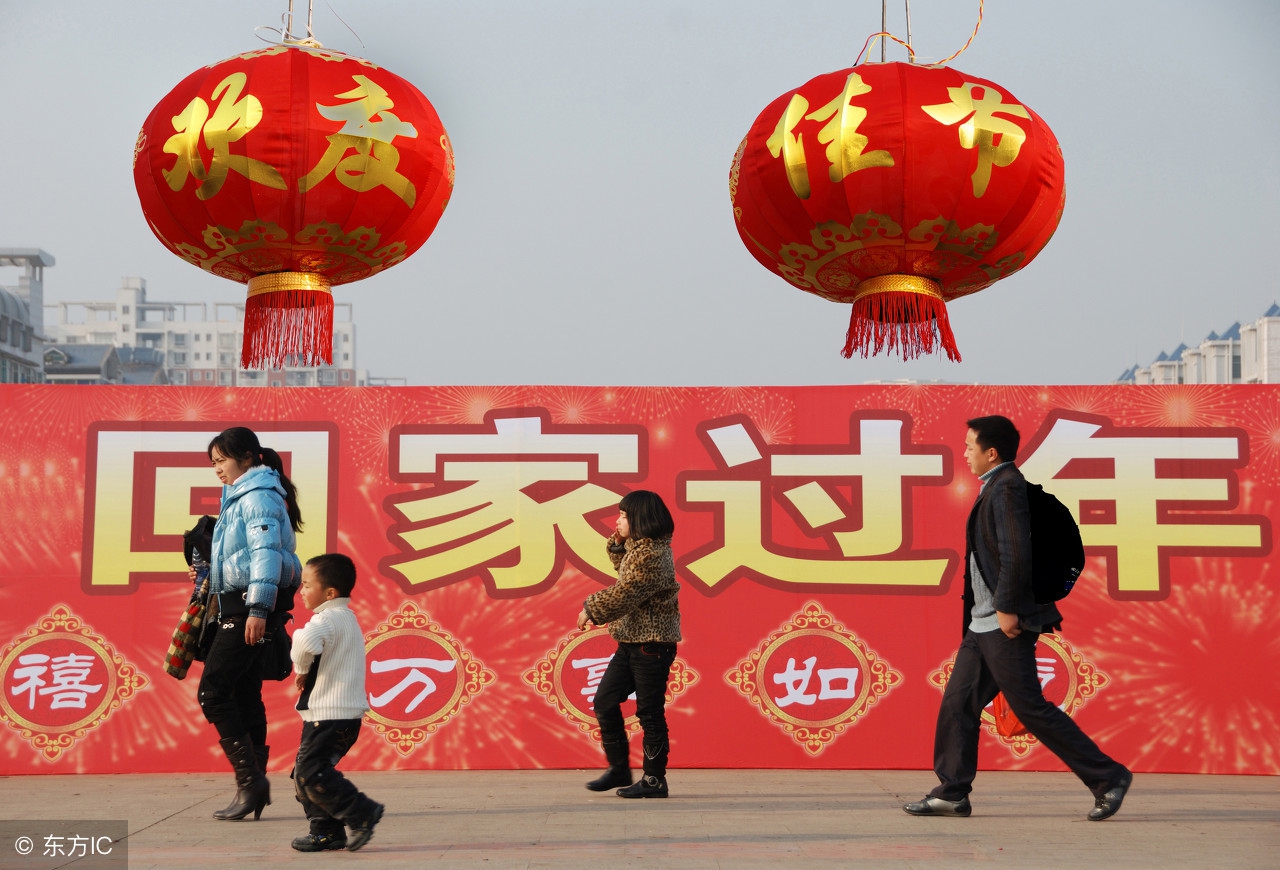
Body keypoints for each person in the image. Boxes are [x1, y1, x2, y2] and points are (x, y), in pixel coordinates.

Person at [904, 415, 1132, 821]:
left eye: (970, 446)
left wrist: (1008, 608)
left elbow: (1015, 552)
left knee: (1029, 707)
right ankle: (953, 792)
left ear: (991, 453)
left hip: (1002, 621)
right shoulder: (994, 486)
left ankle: (1108, 776)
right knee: (959, 703)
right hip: (982, 623)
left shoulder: (1006, 488)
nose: (965, 453)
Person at [198, 426, 303, 821]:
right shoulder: (242, 494)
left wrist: (258, 609)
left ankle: (251, 783)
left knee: (214, 692)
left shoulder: (257, 495)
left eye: (221, 460)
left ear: (246, 457)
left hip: (247, 606)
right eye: (213, 463)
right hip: (238, 604)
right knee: (243, 692)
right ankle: (253, 786)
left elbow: (265, 552)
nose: (217, 470)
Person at [576, 490, 681, 798]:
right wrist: (619, 540)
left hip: (652, 644)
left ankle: (653, 780)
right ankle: (620, 768)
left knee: (649, 712)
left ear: (640, 519)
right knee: (605, 701)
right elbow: (624, 570)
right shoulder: (640, 549)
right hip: (630, 641)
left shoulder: (653, 556)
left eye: (623, 516)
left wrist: (591, 608)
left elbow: (627, 591)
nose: (617, 520)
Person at [289, 553, 384, 852]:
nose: (301, 591)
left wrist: (301, 670)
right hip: (341, 716)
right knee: (304, 774)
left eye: (306, 585)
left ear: (329, 593)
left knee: (310, 772)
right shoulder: (346, 618)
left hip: (330, 715)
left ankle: (361, 812)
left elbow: (304, 643)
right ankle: (327, 832)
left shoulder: (327, 618)